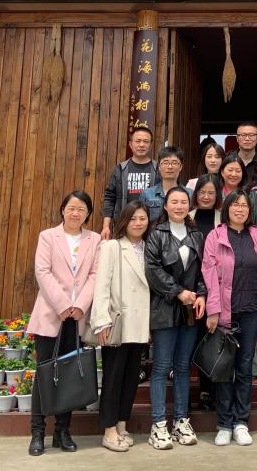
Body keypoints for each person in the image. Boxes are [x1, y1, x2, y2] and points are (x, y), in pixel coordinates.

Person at [27, 191, 101, 456]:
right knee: (44, 374)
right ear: (63, 210)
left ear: (88, 213)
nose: (75, 213)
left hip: (76, 317)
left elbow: (95, 274)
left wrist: (80, 305)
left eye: (81, 209)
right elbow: (42, 271)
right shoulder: (48, 236)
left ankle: (62, 431)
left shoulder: (94, 239)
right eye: (71, 208)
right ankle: (37, 433)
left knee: (69, 375)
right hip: (52, 314)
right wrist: (62, 304)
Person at [202, 191, 257, 447]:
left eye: (244, 205)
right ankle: (224, 423)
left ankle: (241, 422)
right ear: (227, 208)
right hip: (225, 312)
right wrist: (213, 309)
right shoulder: (216, 235)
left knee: (244, 367)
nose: (240, 209)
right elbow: (209, 273)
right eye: (235, 205)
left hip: (252, 310)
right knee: (224, 369)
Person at [145, 186, 207, 450]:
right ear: (166, 206)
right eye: (174, 202)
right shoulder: (156, 234)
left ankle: (181, 421)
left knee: (182, 367)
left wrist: (201, 294)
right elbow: (152, 270)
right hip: (164, 307)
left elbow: (204, 269)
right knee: (161, 367)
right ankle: (158, 424)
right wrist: (178, 292)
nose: (180, 206)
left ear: (189, 206)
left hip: (190, 310)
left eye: (184, 202)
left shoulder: (196, 234)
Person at [89, 201, 151, 452]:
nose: (138, 223)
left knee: (130, 378)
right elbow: (102, 285)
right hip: (117, 322)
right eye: (133, 218)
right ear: (124, 221)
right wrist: (101, 320)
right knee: (113, 378)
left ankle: (122, 424)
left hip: (139, 324)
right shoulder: (112, 246)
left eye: (143, 218)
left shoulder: (149, 247)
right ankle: (108, 430)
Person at [189, 175, 223, 412]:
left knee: (212, 340)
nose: (206, 196)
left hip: (216, 286)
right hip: (191, 287)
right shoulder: (187, 217)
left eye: (211, 193)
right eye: (202, 192)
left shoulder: (223, 218)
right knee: (194, 339)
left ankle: (210, 390)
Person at [102, 126, 156, 240]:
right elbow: (109, 198)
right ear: (130, 144)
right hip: (123, 227)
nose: (141, 145)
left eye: (146, 141)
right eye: (138, 141)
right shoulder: (120, 169)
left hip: (151, 230)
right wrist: (106, 226)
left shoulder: (158, 170)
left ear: (150, 145)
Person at [140, 146, 188, 215]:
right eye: (165, 163)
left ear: (180, 167)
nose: (170, 167)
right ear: (159, 166)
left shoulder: (189, 194)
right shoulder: (147, 194)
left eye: (174, 163)